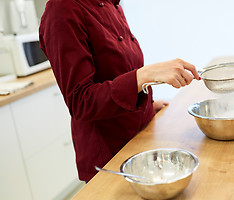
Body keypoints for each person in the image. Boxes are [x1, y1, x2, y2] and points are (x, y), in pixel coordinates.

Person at [39, 0, 200, 182]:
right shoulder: (62, 8)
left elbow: (117, 73)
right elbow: (80, 101)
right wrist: (145, 75)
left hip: (138, 137)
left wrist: (147, 107)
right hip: (109, 154)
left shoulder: (111, 4)